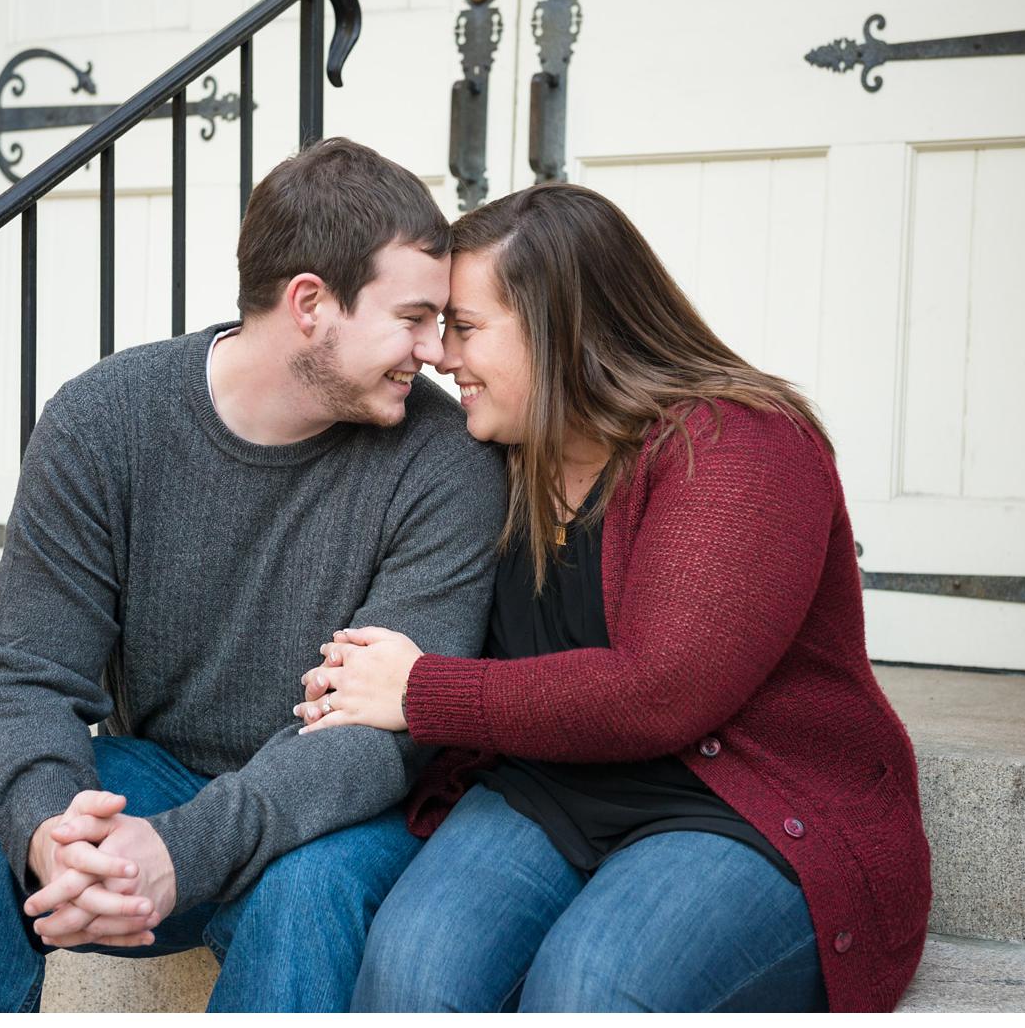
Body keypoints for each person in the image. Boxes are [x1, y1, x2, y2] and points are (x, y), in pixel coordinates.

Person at [0, 139, 507, 1011]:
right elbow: (30, 677)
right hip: (162, 770)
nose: (435, 350)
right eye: (412, 317)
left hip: (339, 806)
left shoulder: (443, 459)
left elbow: (375, 732)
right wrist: (61, 837)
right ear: (311, 303)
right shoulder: (105, 419)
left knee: (307, 894)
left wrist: (180, 849)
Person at [291, 183, 932, 1012]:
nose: (442, 357)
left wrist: (421, 690)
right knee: (414, 970)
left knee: (592, 983)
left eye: (467, 327)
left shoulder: (743, 444)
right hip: (547, 789)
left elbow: (663, 690)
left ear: (563, 327)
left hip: (737, 808)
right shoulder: (503, 458)